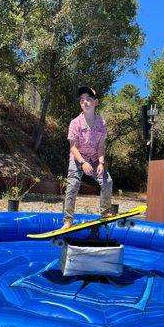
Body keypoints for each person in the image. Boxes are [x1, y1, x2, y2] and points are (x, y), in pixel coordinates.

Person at [61, 85, 113, 229]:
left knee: (107, 181)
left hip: (95, 158)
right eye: (82, 99)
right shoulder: (75, 123)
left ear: (96, 102)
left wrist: (101, 163)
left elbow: (101, 146)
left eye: (89, 99)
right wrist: (83, 162)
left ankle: (104, 212)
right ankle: (68, 220)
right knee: (72, 186)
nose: (85, 102)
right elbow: (73, 147)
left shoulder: (102, 123)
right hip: (78, 158)